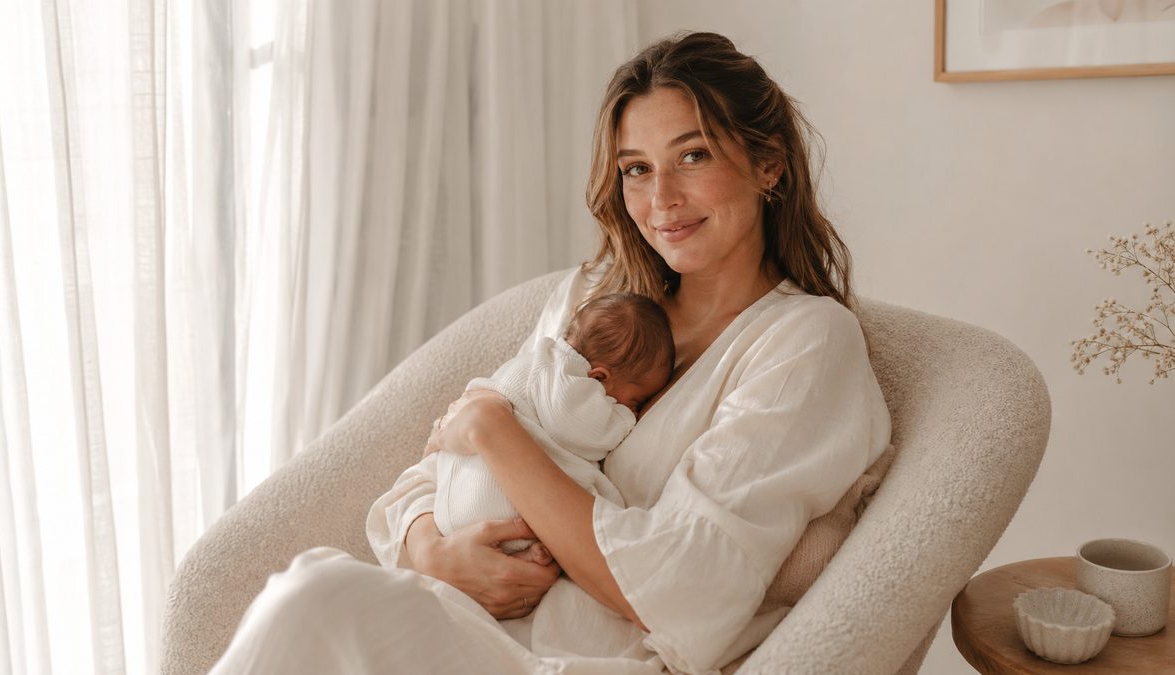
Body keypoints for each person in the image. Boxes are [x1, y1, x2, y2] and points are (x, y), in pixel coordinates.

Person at [209, 31, 892, 675]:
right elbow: (428, 475)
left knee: (318, 596)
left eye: (694, 156)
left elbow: (682, 589)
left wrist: (495, 428)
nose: (661, 200)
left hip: (593, 661)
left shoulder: (804, 343)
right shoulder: (594, 300)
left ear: (768, 162)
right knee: (312, 587)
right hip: (466, 619)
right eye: (635, 168)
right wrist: (434, 552)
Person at [407, 292, 674, 555]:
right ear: (599, 378)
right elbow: (584, 431)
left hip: (453, 505)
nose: (631, 410)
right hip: (484, 499)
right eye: (636, 401)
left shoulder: (541, 359)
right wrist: (627, 421)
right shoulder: (567, 382)